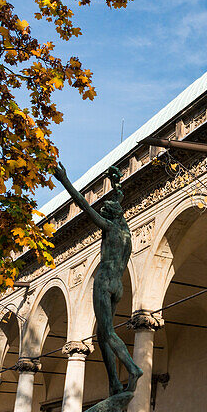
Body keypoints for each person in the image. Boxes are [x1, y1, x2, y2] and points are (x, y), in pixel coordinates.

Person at [53, 163, 142, 398]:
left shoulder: (110, 229)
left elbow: (83, 205)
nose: (102, 213)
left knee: (108, 333)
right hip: (118, 285)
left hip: (103, 282)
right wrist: (117, 185)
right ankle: (114, 383)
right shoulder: (126, 235)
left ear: (111, 216)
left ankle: (132, 368)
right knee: (103, 336)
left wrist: (64, 180)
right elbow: (119, 199)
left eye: (105, 211)